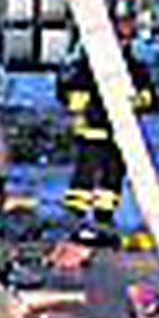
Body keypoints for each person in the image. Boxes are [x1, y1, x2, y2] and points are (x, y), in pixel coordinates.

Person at [57, 34, 126, 245]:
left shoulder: (129, 67)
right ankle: (76, 217)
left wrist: (135, 100)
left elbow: (147, 93)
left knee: (112, 177)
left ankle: (103, 218)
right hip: (92, 130)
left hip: (119, 133)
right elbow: (67, 91)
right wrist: (80, 106)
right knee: (84, 176)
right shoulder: (85, 69)